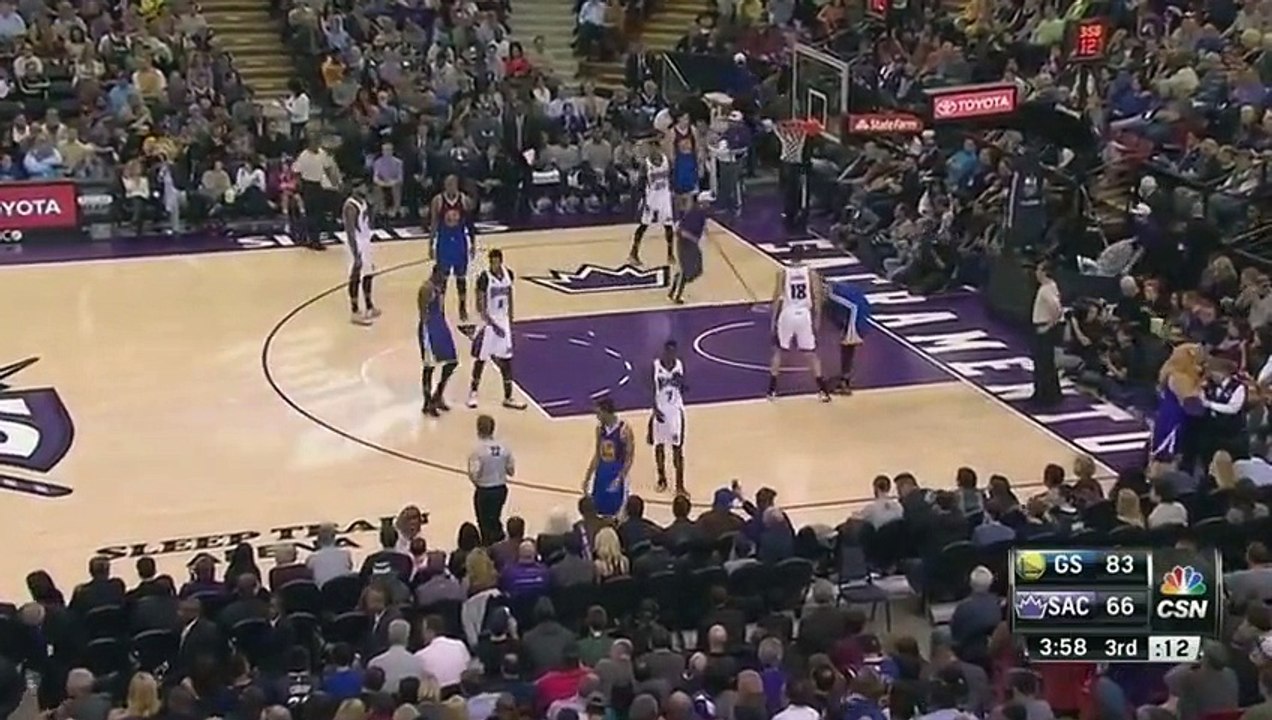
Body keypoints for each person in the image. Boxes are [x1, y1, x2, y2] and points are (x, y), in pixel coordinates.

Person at [769, 244, 830, 401]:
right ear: (803, 255)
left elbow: (776, 297)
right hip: (803, 315)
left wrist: (773, 319)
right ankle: (823, 390)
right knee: (811, 353)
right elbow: (817, 297)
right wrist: (817, 318)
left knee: (778, 351)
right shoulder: (810, 273)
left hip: (787, 314)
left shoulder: (783, 272)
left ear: (790, 256)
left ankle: (771, 390)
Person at [468, 248, 527, 410]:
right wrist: (493, 325)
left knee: (506, 361)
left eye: (496, 261)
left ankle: (508, 397)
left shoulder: (509, 274)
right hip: (488, 322)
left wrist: (511, 319)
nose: (494, 265)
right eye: (491, 262)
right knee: (481, 359)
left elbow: (509, 295)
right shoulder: (484, 278)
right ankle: (473, 393)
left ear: (501, 261)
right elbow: (480, 305)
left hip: (503, 321)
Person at [430, 174, 476, 327]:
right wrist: (431, 243)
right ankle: (440, 308)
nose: (450, 187)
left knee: (461, 277)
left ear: (456, 185)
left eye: (452, 184)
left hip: (459, 240)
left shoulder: (464, 200)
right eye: (447, 184)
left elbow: (470, 223)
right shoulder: (437, 201)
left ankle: (462, 306)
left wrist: (473, 243)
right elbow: (434, 223)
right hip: (444, 241)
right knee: (442, 277)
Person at [419, 263, 461, 416]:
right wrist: (427, 334)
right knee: (429, 366)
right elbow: (423, 314)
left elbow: (441, 310)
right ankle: (427, 402)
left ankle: (438, 395)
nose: (445, 278)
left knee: (452, 361)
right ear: (435, 273)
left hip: (440, 325)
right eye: (443, 275)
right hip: (429, 328)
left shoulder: (439, 288)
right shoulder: (426, 288)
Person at [468, 414, 515, 546]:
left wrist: (478, 483)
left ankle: (488, 546)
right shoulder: (504, 446)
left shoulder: (477, 450)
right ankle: (500, 541)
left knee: (483, 522)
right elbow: (511, 470)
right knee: (495, 517)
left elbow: (474, 473)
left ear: (478, 429)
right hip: (501, 489)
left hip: (485, 490)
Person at [585, 397, 634, 518]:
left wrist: (620, 478)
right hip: (602, 474)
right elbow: (597, 455)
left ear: (606, 412)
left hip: (617, 474)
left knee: (618, 514)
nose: (597, 416)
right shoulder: (599, 429)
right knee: (599, 512)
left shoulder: (624, 429)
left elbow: (629, 458)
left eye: (599, 413)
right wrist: (587, 477)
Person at [648, 340, 687, 495]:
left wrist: (681, 383)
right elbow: (651, 388)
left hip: (675, 412)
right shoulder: (655, 366)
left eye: (674, 352)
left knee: (677, 449)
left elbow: (684, 388)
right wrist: (654, 409)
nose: (671, 354)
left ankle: (680, 485)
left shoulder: (679, 366)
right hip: (660, 410)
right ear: (664, 351)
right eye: (668, 351)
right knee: (659, 446)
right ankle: (662, 478)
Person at [628, 139, 675, 266]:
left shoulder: (666, 161)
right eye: (650, 148)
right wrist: (641, 200)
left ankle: (670, 254)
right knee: (644, 225)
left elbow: (672, 176)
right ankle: (633, 253)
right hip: (651, 198)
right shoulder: (646, 164)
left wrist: (673, 191)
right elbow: (640, 184)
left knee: (668, 225)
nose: (652, 151)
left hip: (664, 196)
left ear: (658, 148)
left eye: (654, 148)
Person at [342, 182, 379, 326]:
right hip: (356, 243)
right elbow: (350, 231)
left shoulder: (363, 202)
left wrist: (373, 206)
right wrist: (355, 254)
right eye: (362, 186)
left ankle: (369, 306)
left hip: (365, 240)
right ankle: (355, 311)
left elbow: (368, 221)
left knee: (368, 274)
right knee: (356, 275)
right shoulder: (350, 206)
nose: (365, 188)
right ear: (355, 188)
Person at [1030, 261, 1063, 406]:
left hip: (1043, 328)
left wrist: (1049, 326)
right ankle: (1047, 393)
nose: (1036, 272)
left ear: (1044, 272)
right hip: (1045, 328)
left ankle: (1046, 396)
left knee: (1043, 363)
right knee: (1045, 362)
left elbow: (1057, 309)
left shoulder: (1046, 289)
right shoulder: (1050, 286)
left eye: (1038, 269)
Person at [669, 191, 710, 304]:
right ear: (703, 202)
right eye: (708, 202)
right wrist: (695, 239)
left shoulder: (700, 213)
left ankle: (675, 286)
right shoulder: (695, 213)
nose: (709, 205)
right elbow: (681, 231)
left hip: (691, 244)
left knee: (697, 270)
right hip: (685, 244)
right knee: (687, 270)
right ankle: (676, 295)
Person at [834, 284, 871, 395]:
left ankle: (845, 380)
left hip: (857, 320)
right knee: (846, 347)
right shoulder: (841, 292)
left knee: (847, 346)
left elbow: (854, 307)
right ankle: (844, 378)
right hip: (858, 316)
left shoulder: (834, 297)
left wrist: (851, 332)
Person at [668, 112, 700, 212]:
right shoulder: (673, 132)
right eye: (684, 118)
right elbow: (670, 150)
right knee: (678, 193)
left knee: (690, 191)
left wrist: (699, 162)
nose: (687, 121)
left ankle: (688, 215)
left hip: (690, 162)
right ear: (679, 119)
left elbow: (698, 146)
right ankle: (679, 215)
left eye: (688, 118)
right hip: (679, 163)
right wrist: (672, 164)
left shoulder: (693, 130)